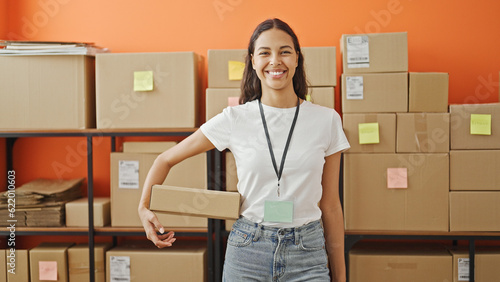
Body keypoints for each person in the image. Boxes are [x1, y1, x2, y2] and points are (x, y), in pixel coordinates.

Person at [138, 18, 350, 282]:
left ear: (297, 59)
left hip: (307, 254)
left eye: (284, 51)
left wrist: (340, 277)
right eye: (264, 53)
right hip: (249, 251)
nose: (275, 61)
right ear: (252, 60)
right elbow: (166, 159)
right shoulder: (234, 119)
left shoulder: (327, 120)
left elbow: (330, 206)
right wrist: (144, 207)